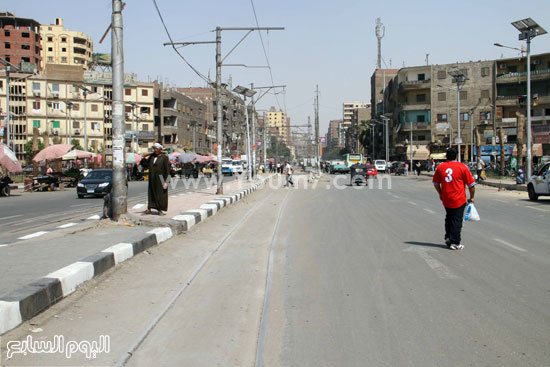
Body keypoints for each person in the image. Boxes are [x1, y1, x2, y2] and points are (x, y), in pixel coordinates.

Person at [433, 148, 476, 250]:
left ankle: (448, 237)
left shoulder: (440, 167)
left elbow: (435, 183)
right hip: (458, 198)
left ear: (446, 156)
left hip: (446, 198)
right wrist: (472, 197)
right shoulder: (462, 167)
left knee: (449, 218)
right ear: (456, 156)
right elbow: (471, 185)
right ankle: (455, 242)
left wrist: (440, 193)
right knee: (457, 220)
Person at [141, 143, 170, 216]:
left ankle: (160, 209)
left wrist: (166, 182)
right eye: (154, 149)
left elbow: (167, 170)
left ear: (160, 149)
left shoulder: (164, 158)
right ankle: (149, 208)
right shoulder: (151, 157)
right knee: (151, 193)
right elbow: (145, 165)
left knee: (160, 194)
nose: (155, 150)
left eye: (157, 149)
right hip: (152, 177)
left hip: (161, 178)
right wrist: (144, 158)